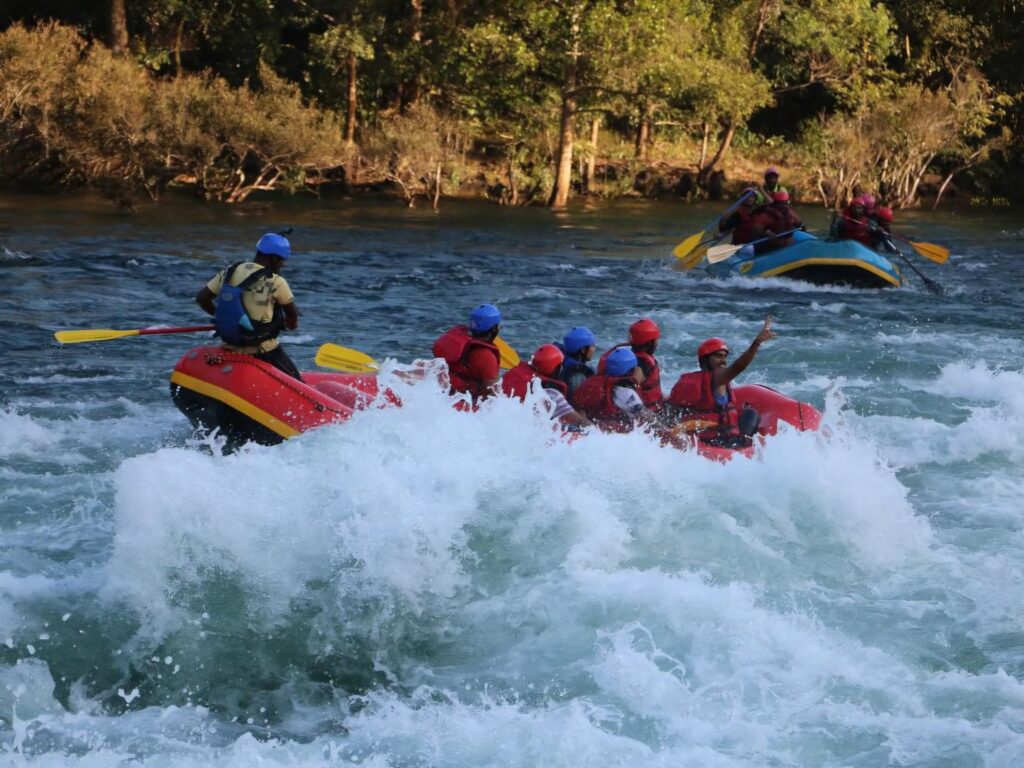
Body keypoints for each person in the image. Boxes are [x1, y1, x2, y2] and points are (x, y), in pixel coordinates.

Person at [195, 232, 302, 380]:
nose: (283, 264)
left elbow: (202, 298)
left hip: (230, 345)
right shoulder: (276, 281)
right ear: (274, 258)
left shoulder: (230, 271)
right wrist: (291, 323)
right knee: (298, 384)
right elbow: (292, 314)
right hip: (263, 350)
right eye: (282, 261)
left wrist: (225, 318)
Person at [664, 316, 776, 447]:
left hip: (703, 440)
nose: (723, 360)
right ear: (705, 360)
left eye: (725, 356)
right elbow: (738, 367)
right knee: (752, 414)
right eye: (718, 356)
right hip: (724, 442)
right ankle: (744, 443)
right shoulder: (718, 378)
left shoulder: (688, 380)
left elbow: (672, 411)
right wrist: (757, 343)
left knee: (748, 413)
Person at [502, 344, 592, 427]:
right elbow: (576, 419)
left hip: (508, 419)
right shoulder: (551, 392)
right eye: (560, 365)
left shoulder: (518, 374)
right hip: (531, 428)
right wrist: (598, 432)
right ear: (555, 368)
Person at [432, 303, 503, 401]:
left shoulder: (458, 338)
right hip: (464, 402)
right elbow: (492, 392)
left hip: (443, 391)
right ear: (494, 329)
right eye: (498, 325)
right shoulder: (485, 355)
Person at [571, 346, 647, 432]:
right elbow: (646, 417)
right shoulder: (627, 394)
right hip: (616, 434)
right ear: (630, 371)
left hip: (594, 429)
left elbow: (581, 409)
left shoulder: (591, 383)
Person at [596, 318, 663, 408]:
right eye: (656, 340)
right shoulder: (643, 364)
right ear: (650, 342)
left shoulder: (627, 357)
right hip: (648, 411)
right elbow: (631, 385)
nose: (657, 344)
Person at [557, 325, 598, 400]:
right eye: (593, 345)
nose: (594, 349)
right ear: (583, 349)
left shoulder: (562, 363)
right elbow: (578, 403)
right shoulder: (577, 376)